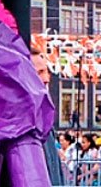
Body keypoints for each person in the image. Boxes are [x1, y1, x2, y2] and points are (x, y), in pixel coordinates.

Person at [31, 48, 65, 185]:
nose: (45, 79)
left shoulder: (46, 121)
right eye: (38, 73)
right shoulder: (17, 126)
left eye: (46, 71)